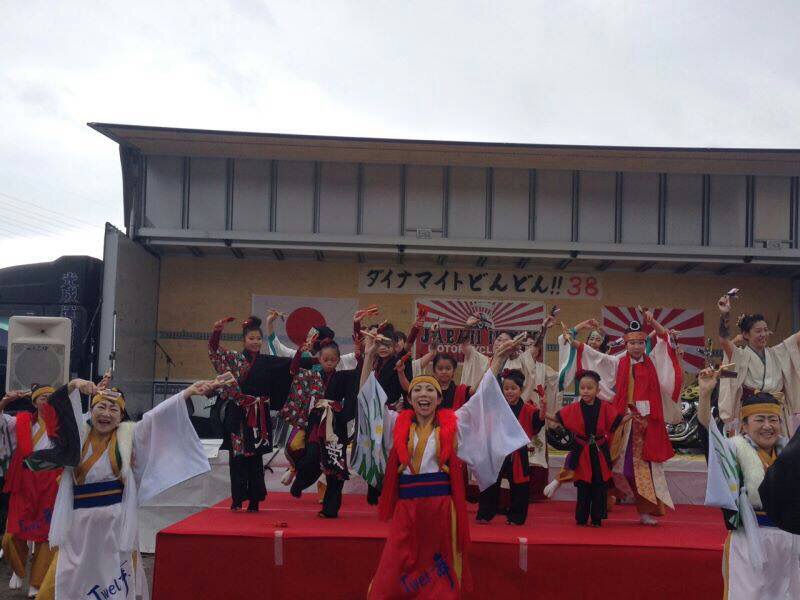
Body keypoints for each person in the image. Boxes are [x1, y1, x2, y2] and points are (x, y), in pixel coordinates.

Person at [366, 337, 530, 599]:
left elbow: (482, 398)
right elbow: (368, 402)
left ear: (439, 398)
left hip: (441, 507)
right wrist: (368, 357)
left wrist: (498, 359)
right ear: (409, 397)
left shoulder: (453, 423)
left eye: (430, 391)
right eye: (418, 390)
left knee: (438, 563)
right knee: (397, 559)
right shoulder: (396, 423)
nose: (423, 395)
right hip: (406, 507)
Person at [30, 376, 211, 600]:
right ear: (91, 410)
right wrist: (75, 384)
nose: (106, 414)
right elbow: (54, 407)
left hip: (113, 526)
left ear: (121, 416)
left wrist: (188, 392)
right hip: (77, 526)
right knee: (63, 581)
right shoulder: (76, 437)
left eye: (113, 409)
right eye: (101, 407)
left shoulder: (129, 437)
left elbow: (156, 418)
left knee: (111, 583)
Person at [563, 311, 682, 525]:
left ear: (644, 344)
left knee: (641, 470)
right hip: (623, 421)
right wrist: (576, 344)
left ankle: (645, 512)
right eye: (632, 343)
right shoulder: (619, 362)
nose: (636, 347)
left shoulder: (652, 361)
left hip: (645, 424)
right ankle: (600, 503)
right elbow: (596, 358)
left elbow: (664, 338)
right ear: (625, 344)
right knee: (607, 462)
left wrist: (653, 322)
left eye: (640, 343)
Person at [700, 367, 800, 599]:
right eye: (759, 419)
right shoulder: (733, 450)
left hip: (791, 541)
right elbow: (710, 435)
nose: (768, 426)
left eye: (773, 419)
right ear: (744, 425)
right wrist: (705, 395)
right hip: (749, 539)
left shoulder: (791, 453)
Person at [209, 315, 292, 512]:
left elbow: (291, 366)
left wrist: (312, 358)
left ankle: (255, 500)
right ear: (244, 340)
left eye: (258, 339)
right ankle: (237, 499)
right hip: (238, 415)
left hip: (258, 416)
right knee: (237, 457)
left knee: (255, 458)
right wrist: (217, 331)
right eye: (251, 338)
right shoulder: (234, 359)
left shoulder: (267, 361)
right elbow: (215, 351)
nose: (255, 342)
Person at [0, 385, 61, 597]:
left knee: (46, 535)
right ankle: (18, 568)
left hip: (50, 483)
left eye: (51, 397)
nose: (47, 401)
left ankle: (37, 581)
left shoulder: (63, 423)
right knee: (10, 535)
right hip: (24, 482)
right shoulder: (21, 421)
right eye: (43, 398)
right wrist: (5, 402)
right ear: (34, 402)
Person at [287, 339, 358, 518]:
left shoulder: (344, 377)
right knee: (312, 456)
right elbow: (293, 371)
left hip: (336, 425)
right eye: (325, 359)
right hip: (317, 422)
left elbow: (358, 378)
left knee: (335, 466)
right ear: (319, 359)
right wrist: (299, 353)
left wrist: (361, 355)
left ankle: (330, 509)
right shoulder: (312, 375)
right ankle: (300, 482)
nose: (329, 362)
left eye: (333, 359)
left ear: (338, 360)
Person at [717, 293, 800, 436]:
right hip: (751, 411)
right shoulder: (740, 355)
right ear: (746, 334)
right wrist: (724, 315)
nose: (763, 334)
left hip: (776, 411)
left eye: (766, 330)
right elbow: (724, 341)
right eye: (758, 331)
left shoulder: (778, 352)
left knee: (779, 447)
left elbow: (797, 338)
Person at [550, 370, 624, 527]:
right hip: (582, 451)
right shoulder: (574, 407)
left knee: (599, 485)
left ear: (598, 390)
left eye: (589, 388)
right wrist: (542, 412)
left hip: (599, 451)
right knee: (583, 485)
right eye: (582, 388)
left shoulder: (604, 407)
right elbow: (556, 418)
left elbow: (617, 421)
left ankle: (597, 518)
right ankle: (581, 518)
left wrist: (632, 416)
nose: (585, 391)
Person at [476, 369, 545, 526]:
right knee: (490, 482)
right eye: (506, 388)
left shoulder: (528, 409)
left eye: (513, 388)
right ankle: (485, 514)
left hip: (518, 452)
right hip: (497, 451)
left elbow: (537, 422)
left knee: (520, 485)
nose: (509, 392)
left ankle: (516, 517)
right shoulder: (497, 407)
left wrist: (542, 411)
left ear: (521, 390)